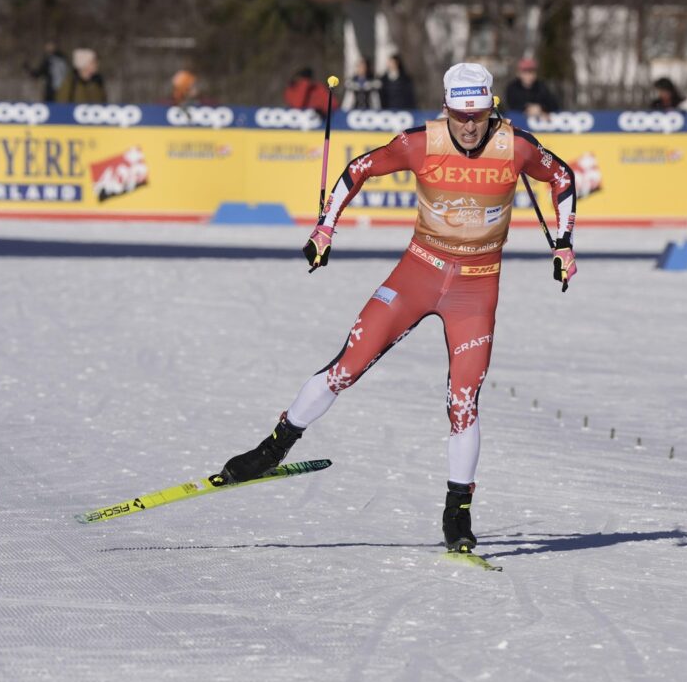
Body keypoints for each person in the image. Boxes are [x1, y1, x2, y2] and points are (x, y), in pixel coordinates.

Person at [216, 62, 578, 555]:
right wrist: (325, 228)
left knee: (464, 401)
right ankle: (274, 447)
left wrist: (563, 243)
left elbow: (563, 178)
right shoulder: (419, 142)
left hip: (475, 287)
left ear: (491, 108)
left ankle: (458, 511)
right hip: (417, 274)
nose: (469, 127)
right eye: (459, 115)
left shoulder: (515, 147)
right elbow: (357, 170)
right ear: (445, 108)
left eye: (478, 115)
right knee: (347, 367)